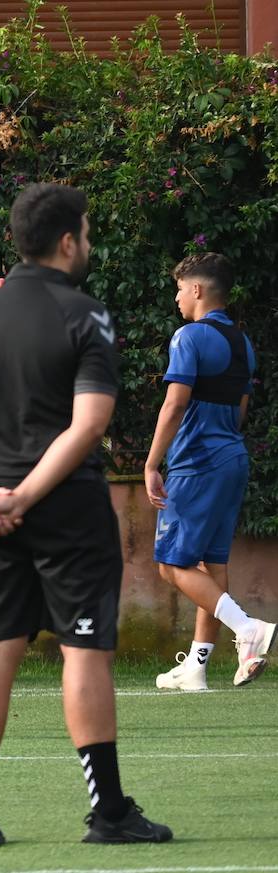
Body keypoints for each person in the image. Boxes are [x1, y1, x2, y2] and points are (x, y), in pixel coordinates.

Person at [0, 182, 171, 847]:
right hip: (64, 510)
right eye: (86, 234)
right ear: (68, 241)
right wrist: (27, 495)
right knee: (84, 650)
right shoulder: (85, 314)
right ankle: (109, 812)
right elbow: (88, 422)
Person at [146, 252, 274, 691]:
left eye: (181, 289)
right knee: (211, 562)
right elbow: (240, 408)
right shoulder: (243, 342)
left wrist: (150, 463)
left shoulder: (188, 336)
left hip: (196, 464)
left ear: (197, 289)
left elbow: (175, 403)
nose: (178, 298)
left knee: (170, 563)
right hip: (231, 459)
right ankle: (197, 668)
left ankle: (248, 629)